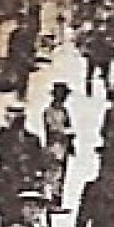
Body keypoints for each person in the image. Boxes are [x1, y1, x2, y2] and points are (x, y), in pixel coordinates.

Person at [0, 105, 47, 227]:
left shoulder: (32, 139)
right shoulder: (2, 137)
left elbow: (39, 161)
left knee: (25, 219)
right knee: (6, 218)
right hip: (5, 184)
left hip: (25, 186)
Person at [42, 82, 75, 213]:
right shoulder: (50, 112)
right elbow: (53, 130)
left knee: (60, 175)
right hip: (55, 146)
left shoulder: (63, 111)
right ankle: (50, 202)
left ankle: (57, 201)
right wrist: (65, 133)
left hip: (63, 146)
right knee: (53, 175)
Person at [7, 16, 37, 101]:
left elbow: (31, 47)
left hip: (23, 58)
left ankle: (22, 94)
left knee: (24, 77)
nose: (23, 25)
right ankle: (21, 95)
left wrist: (31, 56)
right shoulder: (17, 34)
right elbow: (12, 47)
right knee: (21, 77)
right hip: (19, 58)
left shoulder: (24, 34)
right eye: (22, 24)